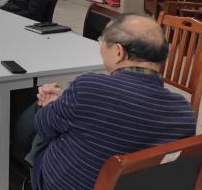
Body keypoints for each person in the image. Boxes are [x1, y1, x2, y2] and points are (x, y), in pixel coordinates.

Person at [12, 14, 196, 190]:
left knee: (34, 114)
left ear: (119, 52)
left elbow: (44, 127)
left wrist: (50, 105)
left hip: (61, 183)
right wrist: (68, 103)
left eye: (102, 41)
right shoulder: (184, 113)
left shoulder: (90, 87)